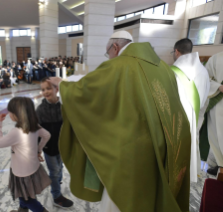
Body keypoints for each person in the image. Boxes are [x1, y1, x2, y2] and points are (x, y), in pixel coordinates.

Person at [47, 31, 191, 212]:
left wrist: (61, 85)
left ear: (115, 47)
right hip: (167, 143)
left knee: (124, 199)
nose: (109, 58)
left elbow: (86, 91)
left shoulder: (119, 65)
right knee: (155, 187)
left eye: (108, 53)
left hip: (135, 152)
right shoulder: (162, 66)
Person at [0, 97, 51, 212]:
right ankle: (22, 210)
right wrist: (38, 150)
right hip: (33, 168)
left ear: (17, 114)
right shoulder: (34, 126)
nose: (9, 114)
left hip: (21, 173)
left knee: (26, 198)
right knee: (24, 193)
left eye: (10, 112)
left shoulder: (16, 132)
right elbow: (47, 135)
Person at [171, 38, 210, 182]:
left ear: (176, 51)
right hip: (195, 116)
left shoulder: (175, 71)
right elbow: (206, 96)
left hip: (176, 119)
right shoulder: (203, 70)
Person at [36, 77, 74, 209]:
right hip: (49, 148)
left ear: (56, 89)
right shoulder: (40, 110)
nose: (45, 92)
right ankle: (57, 196)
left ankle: (56, 183)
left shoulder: (63, 106)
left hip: (62, 146)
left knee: (60, 168)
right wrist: (37, 149)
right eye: (43, 89)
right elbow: (36, 131)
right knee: (55, 171)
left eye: (48, 88)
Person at [200, 51, 223, 175]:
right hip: (218, 103)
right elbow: (205, 78)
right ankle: (219, 165)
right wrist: (218, 87)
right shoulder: (215, 58)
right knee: (216, 134)